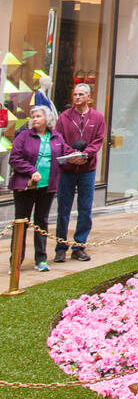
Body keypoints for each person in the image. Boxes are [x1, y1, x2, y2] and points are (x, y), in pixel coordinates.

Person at [8, 104, 64, 271]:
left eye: (38, 116)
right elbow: (15, 158)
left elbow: (64, 155)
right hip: (26, 187)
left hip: (47, 187)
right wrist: (31, 171)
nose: (35, 119)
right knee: (21, 223)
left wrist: (77, 157)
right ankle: (16, 261)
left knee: (41, 222)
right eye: (33, 117)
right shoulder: (24, 136)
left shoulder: (56, 137)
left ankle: (41, 259)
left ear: (47, 119)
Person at [55, 83, 106, 262]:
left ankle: (79, 246)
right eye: (75, 94)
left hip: (87, 170)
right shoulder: (64, 117)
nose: (77, 97)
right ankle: (60, 247)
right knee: (63, 209)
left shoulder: (98, 117)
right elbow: (58, 139)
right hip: (67, 169)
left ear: (88, 97)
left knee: (85, 209)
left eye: (81, 94)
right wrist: (71, 154)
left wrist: (86, 154)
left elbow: (99, 140)